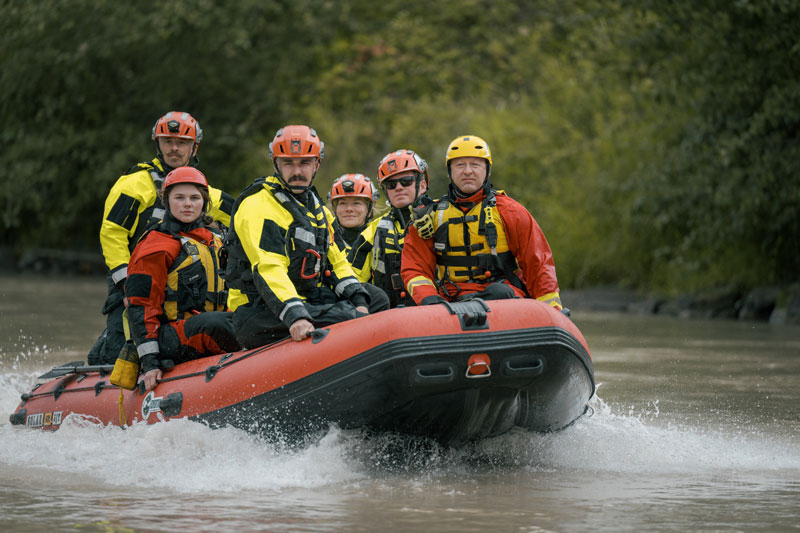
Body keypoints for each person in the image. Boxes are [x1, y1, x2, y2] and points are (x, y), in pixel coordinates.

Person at [88, 111, 234, 366]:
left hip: (184, 285)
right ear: (158, 144)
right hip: (136, 282)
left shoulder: (202, 191)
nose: (174, 148)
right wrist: (126, 282)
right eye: (168, 142)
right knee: (120, 351)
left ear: (194, 147)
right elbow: (112, 233)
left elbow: (244, 217)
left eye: (182, 143)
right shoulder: (133, 184)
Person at [224, 125, 389, 349]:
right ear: (276, 164)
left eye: (304, 163)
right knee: (348, 317)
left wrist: (359, 300)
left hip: (307, 298)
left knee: (376, 299)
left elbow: (337, 261)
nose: (297, 171)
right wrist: (295, 315)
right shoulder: (259, 204)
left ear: (316, 164)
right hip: (260, 310)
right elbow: (268, 268)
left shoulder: (316, 207)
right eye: (288, 163)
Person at [401, 135, 563, 310]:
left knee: (499, 292)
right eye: (460, 165)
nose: (468, 171)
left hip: (503, 297)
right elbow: (414, 268)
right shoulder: (430, 216)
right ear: (450, 172)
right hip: (450, 301)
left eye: (475, 165)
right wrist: (430, 300)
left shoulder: (510, 211)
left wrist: (552, 309)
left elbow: (537, 264)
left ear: (488, 170)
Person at [125, 167, 240, 391]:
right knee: (215, 323)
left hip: (213, 325)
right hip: (169, 336)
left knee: (245, 320)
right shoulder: (156, 245)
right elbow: (141, 306)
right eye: (179, 197)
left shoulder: (217, 240)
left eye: (194, 198)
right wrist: (150, 363)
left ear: (204, 203)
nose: (187, 204)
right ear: (167, 201)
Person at [348, 150, 431, 307]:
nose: (398, 188)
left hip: (434, 309)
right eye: (391, 185)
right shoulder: (373, 230)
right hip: (388, 316)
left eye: (406, 181)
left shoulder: (440, 216)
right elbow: (351, 277)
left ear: (422, 185)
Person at [328, 173, 379, 252]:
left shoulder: (381, 241)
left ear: (370, 209)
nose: (349, 209)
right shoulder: (324, 241)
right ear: (334, 209)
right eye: (343, 203)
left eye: (356, 203)